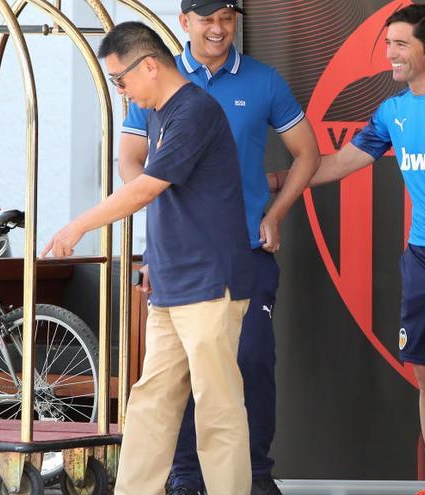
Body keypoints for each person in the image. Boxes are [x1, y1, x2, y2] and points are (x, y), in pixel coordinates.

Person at [271, 5, 425, 495]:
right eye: (388, 45)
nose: (390, 54)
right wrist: (277, 182)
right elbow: (341, 162)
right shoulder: (392, 111)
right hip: (421, 254)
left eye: (400, 44)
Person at [43, 21, 254, 495]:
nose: (121, 92)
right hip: (173, 283)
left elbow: (145, 190)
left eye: (121, 80)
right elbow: (170, 203)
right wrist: (153, 262)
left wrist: (78, 225)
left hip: (209, 284)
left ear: (150, 66)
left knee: (217, 407)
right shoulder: (161, 112)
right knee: (151, 402)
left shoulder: (194, 111)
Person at [118, 1, 319, 494]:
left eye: (226, 18)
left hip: (243, 251)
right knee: (174, 376)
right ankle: (186, 476)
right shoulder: (155, 78)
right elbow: (130, 160)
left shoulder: (264, 80)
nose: (217, 29)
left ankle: (253, 474)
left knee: (249, 361)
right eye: (206, 19)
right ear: (184, 23)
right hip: (178, 258)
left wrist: (274, 214)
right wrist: (162, 222)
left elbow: (308, 153)